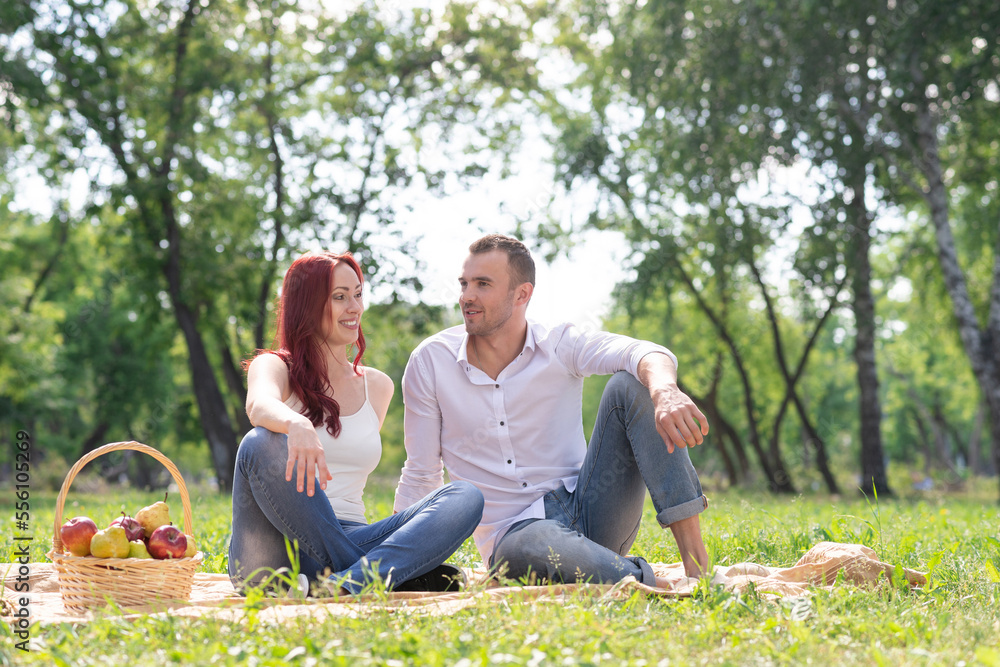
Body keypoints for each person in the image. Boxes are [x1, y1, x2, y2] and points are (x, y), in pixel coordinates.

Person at [393, 234, 710, 587]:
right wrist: (392, 558)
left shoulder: (559, 344)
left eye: (483, 284)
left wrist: (665, 391)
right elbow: (421, 473)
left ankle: (698, 568)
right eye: (465, 283)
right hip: (515, 540)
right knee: (530, 544)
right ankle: (649, 582)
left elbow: (644, 351)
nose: (467, 296)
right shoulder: (430, 362)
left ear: (522, 294)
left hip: (593, 513)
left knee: (634, 382)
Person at [228, 251, 484, 596]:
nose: (354, 307)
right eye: (339, 297)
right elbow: (259, 405)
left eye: (358, 294)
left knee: (465, 496)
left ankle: (343, 583)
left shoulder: (377, 387)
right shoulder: (274, 367)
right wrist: (295, 425)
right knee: (260, 442)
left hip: (353, 531)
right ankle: (386, 575)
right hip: (273, 552)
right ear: (307, 305)